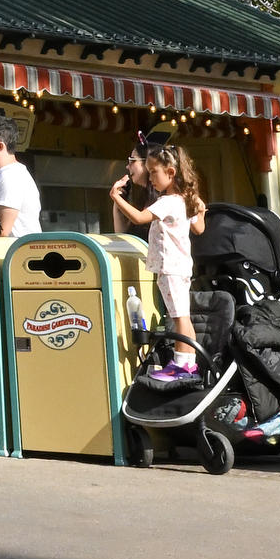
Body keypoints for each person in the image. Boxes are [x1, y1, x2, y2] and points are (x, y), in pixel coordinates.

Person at [110, 137, 201, 385]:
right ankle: (188, 362)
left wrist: (116, 198)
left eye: (154, 173)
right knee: (183, 316)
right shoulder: (183, 200)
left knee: (179, 316)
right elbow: (200, 228)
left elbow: (139, 218)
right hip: (179, 266)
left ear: (170, 172)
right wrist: (200, 209)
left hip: (170, 266)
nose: (150, 178)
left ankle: (182, 364)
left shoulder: (168, 201)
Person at [0, 120, 41, 238]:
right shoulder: (8, 174)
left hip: (14, 255)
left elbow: (0, 231)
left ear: (0, 146)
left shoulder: (11, 177)